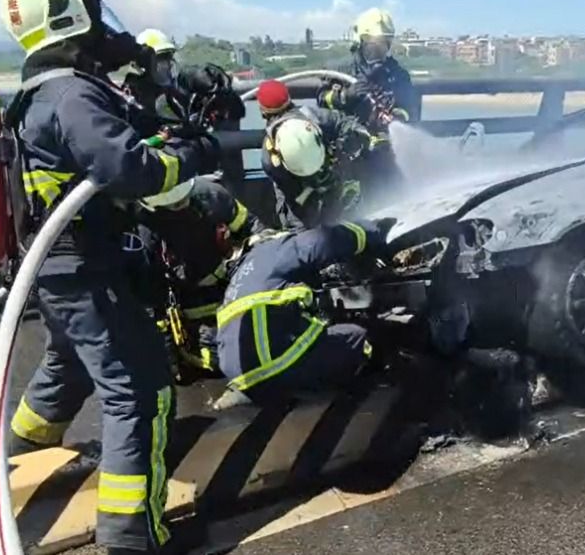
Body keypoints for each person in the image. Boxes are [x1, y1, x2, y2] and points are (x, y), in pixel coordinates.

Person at [0, 0, 219, 555]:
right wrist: (193, 156)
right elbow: (130, 167)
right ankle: (130, 535)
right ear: (68, 16)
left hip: (56, 269)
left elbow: (125, 132)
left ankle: (15, 469)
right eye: (93, 8)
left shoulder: (41, 91)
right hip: (85, 267)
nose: (103, 19)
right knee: (139, 390)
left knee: (68, 365)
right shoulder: (71, 94)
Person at [214, 219, 394, 405]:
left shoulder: (240, 277)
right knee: (358, 337)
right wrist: (371, 231)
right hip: (274, 366)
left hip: (241, 378)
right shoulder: (274, 250)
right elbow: (322, 242)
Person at [137, 174, 262, 385]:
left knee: (256, 344)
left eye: (184, 199)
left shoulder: (210, 194)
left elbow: (252, 227)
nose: (184, 205)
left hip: (232, 281)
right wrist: (167, 356)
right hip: (187, 297)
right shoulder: (144, 227)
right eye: (176, 204)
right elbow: (149, 296)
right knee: (216, 360)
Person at [257, 79, 378, 229]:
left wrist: (347, 144)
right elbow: (347, 124)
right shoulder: (312, 115)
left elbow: (349, 126)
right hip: (316, 200)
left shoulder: (268, 153)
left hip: (303, 214)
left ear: (263, 111)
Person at [316, 8, 419, 130]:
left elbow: (410, 106)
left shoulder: (398, 75)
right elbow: (322, 100)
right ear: (360, 42)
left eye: (383, 44)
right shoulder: (339, 70)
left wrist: (398, 116)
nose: (378, 50)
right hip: (348, 136)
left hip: (385, 136)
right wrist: (345, 96)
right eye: (373, 44)